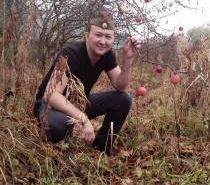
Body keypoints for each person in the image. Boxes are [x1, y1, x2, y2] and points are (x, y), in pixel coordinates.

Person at [33, 11, 141, 156]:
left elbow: (120, 85)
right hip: (49, 107)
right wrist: (83, 119)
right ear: (87, 35)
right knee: (61, 123)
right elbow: (51, 95)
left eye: (108, 36)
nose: (103, 41)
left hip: (79, 103)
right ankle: (57, 151)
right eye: (98, 35)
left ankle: (101, 149)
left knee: (123, 99)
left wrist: (128, 58)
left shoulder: (107, 55)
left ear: (113, 39)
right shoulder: (71, 54)